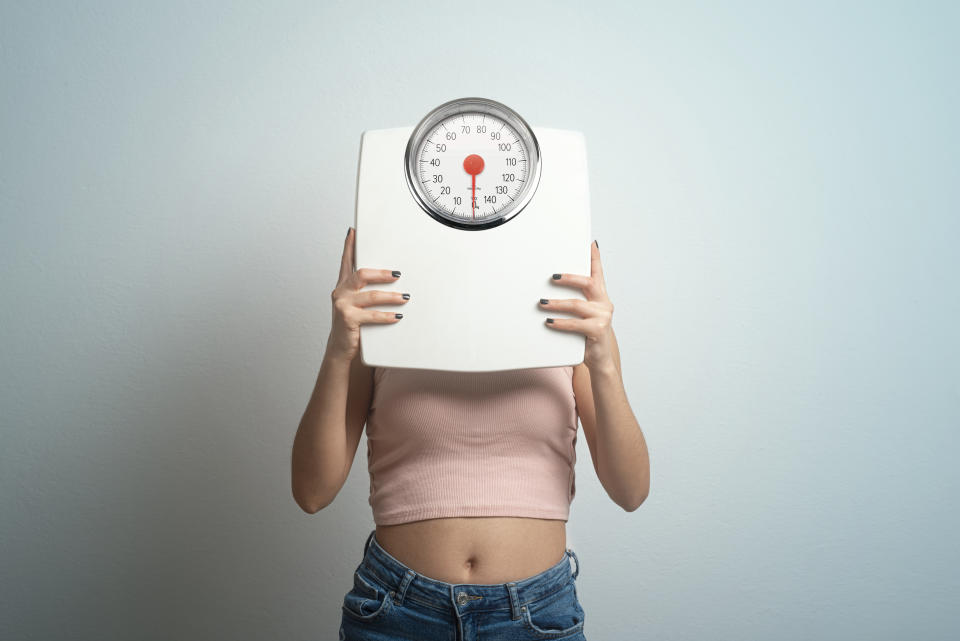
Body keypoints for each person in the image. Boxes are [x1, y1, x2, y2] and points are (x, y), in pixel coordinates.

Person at [292, 227, 650, 640]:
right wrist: (340, 349)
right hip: (396, 615)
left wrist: (602, 361)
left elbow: (631, 492)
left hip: (535, 617)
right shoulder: (383, 311)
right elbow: (311, 493)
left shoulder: (571, 317)